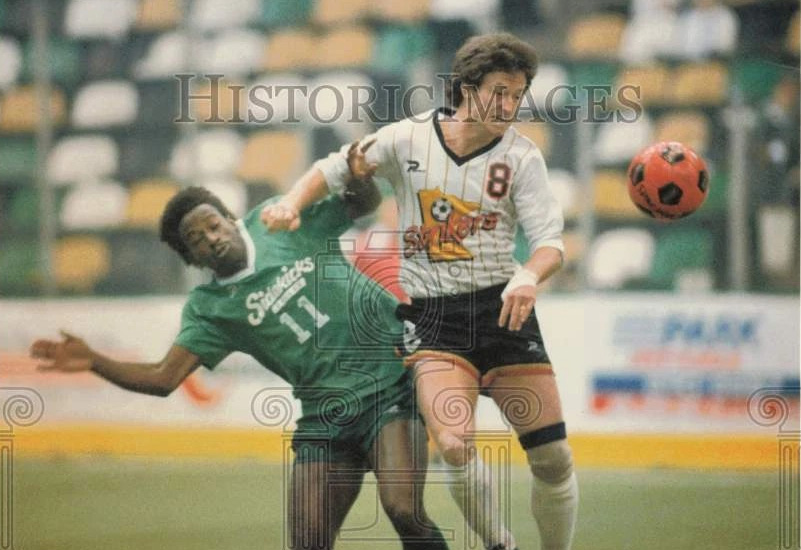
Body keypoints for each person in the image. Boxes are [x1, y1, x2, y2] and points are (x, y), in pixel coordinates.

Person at [30, 157, 450, 550]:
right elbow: (163, 378)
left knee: (403, 511)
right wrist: (95, 361)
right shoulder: (210, 309)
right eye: (196, 241)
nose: (211, 239)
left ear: (230, 219)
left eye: (212, 225)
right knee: (307, 542)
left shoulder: (278, 221)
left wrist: (357, 174)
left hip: (388, 384)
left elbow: (364, 202)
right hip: (324, 416)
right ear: (192, 259)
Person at [263, 33, 578, 550]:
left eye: (518, 95)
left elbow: (550, 243)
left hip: (502, 311)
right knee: (453, 444)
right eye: (499, 92)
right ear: (467, 88)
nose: (509, 106)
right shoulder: (407, 139)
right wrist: (291, 204)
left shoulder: (522, 157)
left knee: (551, 458)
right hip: (434, 321)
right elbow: (335, 166)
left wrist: (528, 276)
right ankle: (500, 544)